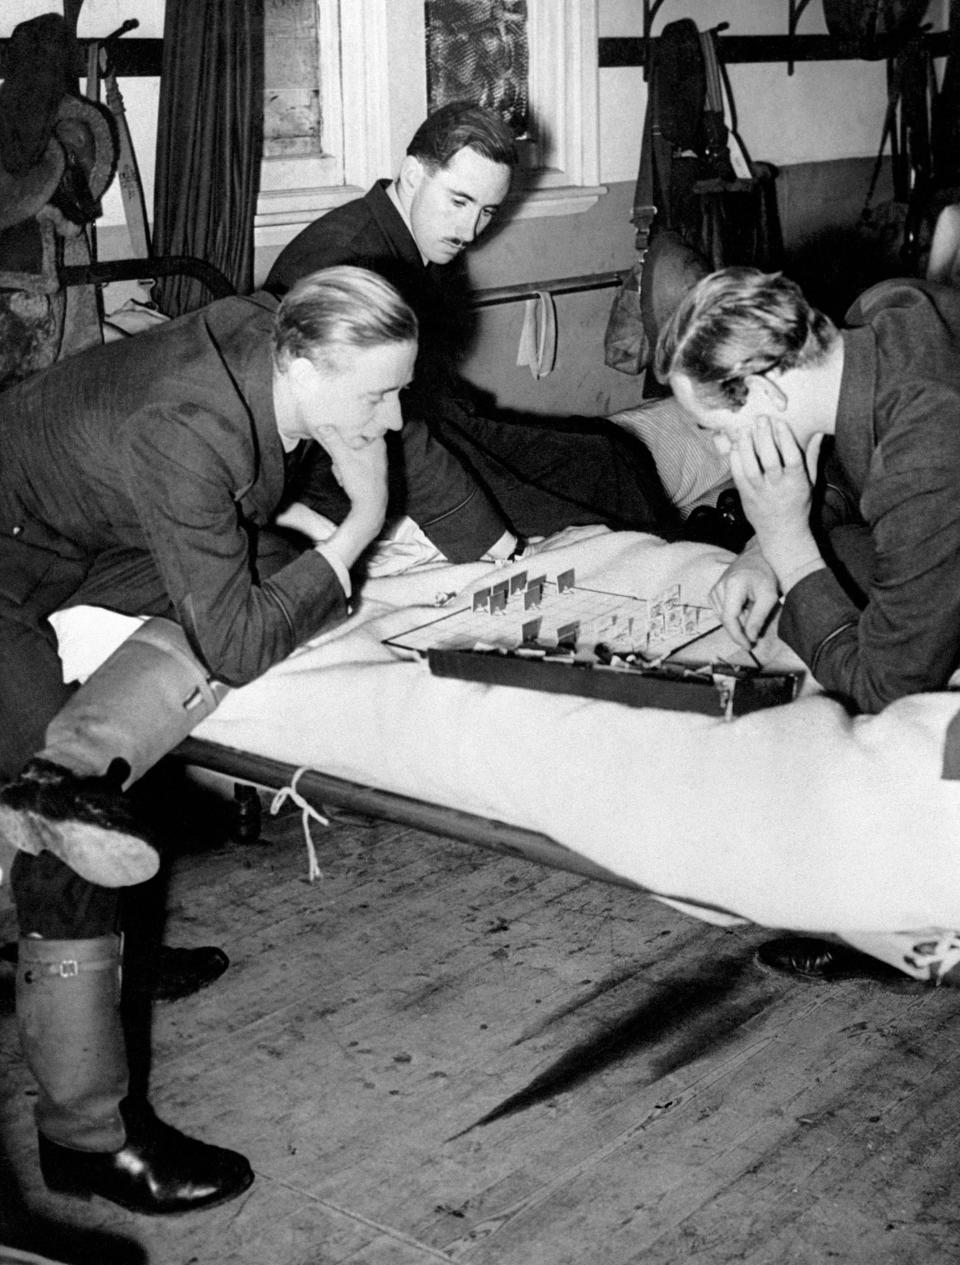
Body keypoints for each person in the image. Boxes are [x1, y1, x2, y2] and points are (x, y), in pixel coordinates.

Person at [0, 264, 517, 1216]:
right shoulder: (191, 424)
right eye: (379, 394)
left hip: (65, 533)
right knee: (65, 854)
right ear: (303, 364)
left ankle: (63, 795)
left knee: (281, 568)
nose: (395, 419)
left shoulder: (268, 343)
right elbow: (236, 641)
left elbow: (246, 568)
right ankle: (86, 1137)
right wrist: (359, 525)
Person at [654, 265, 960, 987]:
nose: (726, 457)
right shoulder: (880, 315)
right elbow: (851, 479)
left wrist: (788, 543)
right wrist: (764, 547)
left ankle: (912, 915)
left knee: (883, 719)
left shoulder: (928, 450)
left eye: (719, 432)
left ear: (765, 391)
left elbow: (892, 686)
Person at [264, 100, 683, 544]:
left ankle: (688, 555)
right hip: (349, 464)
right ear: (412, 175)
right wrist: (486, 528)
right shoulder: (345, 259)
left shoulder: (418, 235)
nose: (470, 231)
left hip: (428, 428)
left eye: (487, 211)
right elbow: (360, 430)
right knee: (572, 517)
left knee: (610, 454)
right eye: (460, 201)